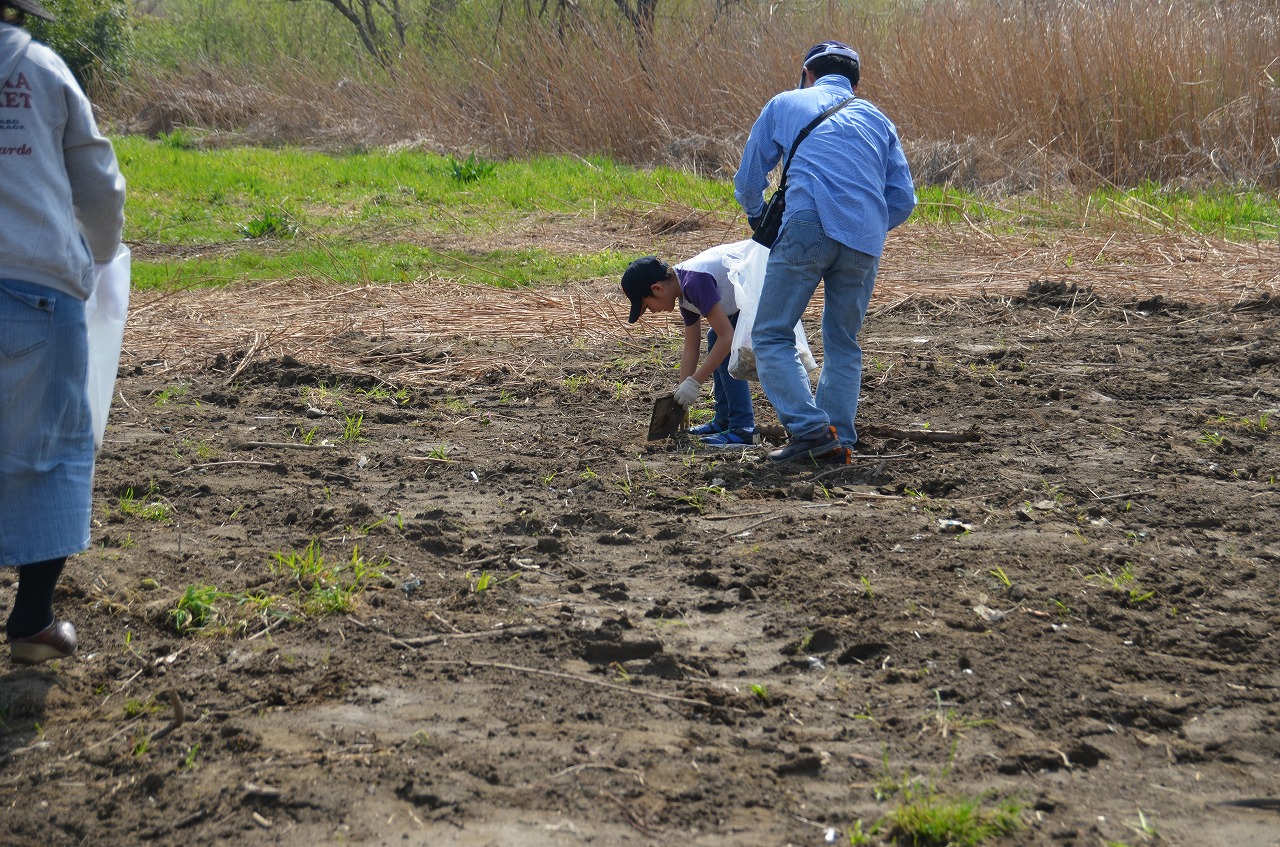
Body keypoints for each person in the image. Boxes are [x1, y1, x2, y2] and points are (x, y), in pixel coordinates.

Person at [1, 0, 126, 663]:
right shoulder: (45, 71)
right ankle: (32, 622)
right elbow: (99, 186)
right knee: (48, 450)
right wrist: (102, 256)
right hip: (35, 290)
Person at [734, 40, 915, 464]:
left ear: (808, 74)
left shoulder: (786, 103)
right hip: (865, 241)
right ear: (854, 82)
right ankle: (839, 439)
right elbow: (903, 200)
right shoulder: (878, 120)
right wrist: (864, 225)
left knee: (771, 334)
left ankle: (811, 431)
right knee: (843, 342)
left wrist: (760, 217)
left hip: (806, 225)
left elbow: (748, 181)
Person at [620, 242, 758, 447]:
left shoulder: (693, 281)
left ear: (657, 289)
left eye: (648, 306)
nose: (652, 311)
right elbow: (691, 348)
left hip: (764, 285)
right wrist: (681, 399)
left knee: (725, 345)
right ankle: (725, 419)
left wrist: (694, 384)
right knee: (714, 337)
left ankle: (743, 427)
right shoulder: (683, 291)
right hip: (748, 294)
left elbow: (727, 337)